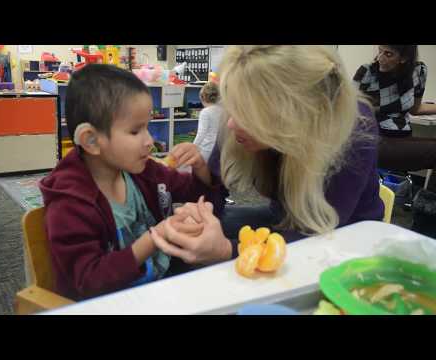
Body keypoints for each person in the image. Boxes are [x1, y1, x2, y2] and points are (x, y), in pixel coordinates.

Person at [150, 45, 384, 263]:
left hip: (345, 240)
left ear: (295, 113)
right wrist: (202, 188)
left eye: (248, 115)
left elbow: (311, 240)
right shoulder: (241, 113)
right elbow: (215, 204)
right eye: (232, 107)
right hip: (285, 219)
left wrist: (226, 251)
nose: (231, 124)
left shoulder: (352, 131)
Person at [39, 64, 229, 300]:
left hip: (164, 285)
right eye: (135, 131)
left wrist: (200, 166)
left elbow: (204, 198)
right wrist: (155, 237)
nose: (150, 141)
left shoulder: (142, 170)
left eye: (147, 127)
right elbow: (88, 281)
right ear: (91, 140)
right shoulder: (70, 203)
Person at [353, 45, 436, 191]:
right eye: (379, 51)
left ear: (404, 58)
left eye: (388, 54)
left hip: (402, 140)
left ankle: (427, 205)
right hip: (374, 138)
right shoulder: (367, 72)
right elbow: (348, 110)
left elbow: (415, 109)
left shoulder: (419, 71)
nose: (380, 58)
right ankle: (426, 208)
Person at [193, 82, 224, 162]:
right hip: (220, 148)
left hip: (207, 149)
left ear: (202, 97)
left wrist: (193, 146)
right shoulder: (223, 110)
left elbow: (201, 133)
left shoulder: (205, 112)